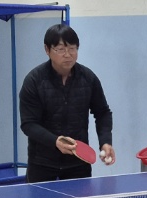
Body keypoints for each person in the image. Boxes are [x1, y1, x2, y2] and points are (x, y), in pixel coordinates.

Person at [18, 23, 116, 182]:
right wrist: (55, 142)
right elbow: (28, 124)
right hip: (42, 163)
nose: (68, 54)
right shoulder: (34, 81)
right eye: (60, 49)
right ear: (47, 50)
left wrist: (105, 142)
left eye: (72, 48)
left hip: (78, 164)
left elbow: (102, 113)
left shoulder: (88, 78)